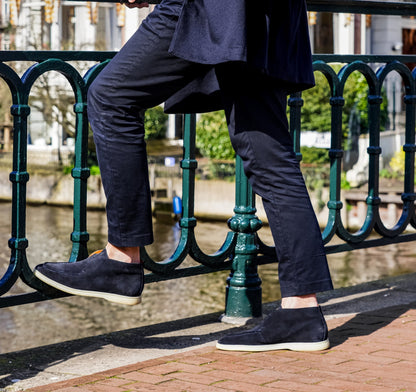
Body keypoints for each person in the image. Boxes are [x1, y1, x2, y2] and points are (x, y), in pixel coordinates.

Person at [34, 0, 334, 352]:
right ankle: (302, 311)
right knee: (269, 154)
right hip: (270, 11)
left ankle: (121, 259)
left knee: (111, 96)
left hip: (217, 6)